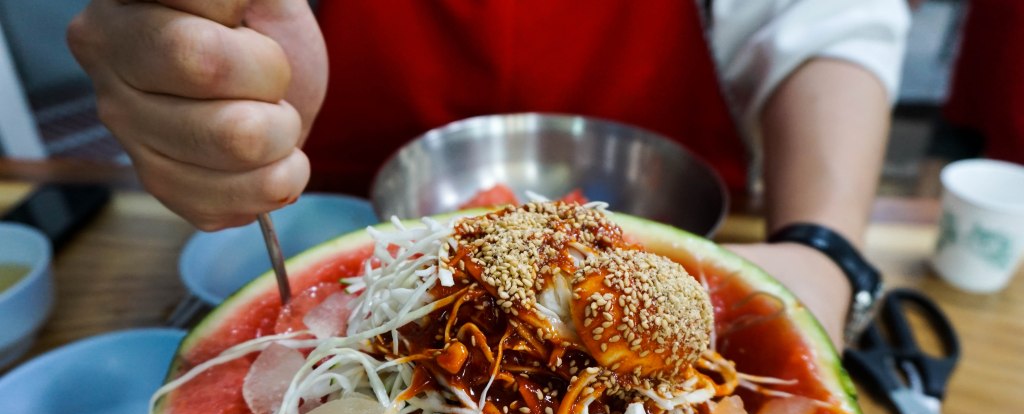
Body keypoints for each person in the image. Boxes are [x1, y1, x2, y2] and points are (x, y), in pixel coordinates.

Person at [66, 0, 910, 347]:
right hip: (351, 228)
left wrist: (825, 246)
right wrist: (193, 80)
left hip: (669, 249)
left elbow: (827, 15)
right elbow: (192, 28)